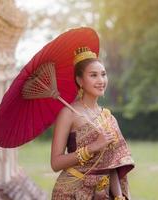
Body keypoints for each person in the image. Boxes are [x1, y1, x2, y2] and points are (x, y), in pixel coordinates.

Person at [51, 46, 134, 200]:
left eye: (103, 74)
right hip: (71, 192)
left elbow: (113, 165)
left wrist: (118, 196)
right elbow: (55, 163)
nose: (101, 80)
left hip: (102, 193)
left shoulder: (108, 117)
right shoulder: (68, 114)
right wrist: (92, 147)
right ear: (80, 80)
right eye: (93, 75)